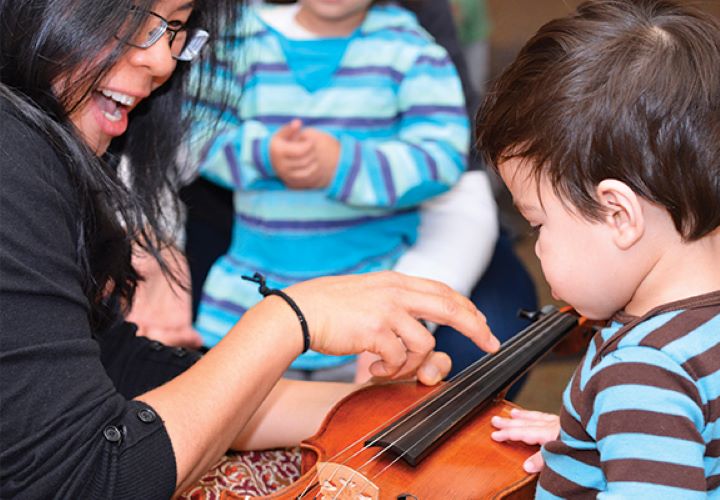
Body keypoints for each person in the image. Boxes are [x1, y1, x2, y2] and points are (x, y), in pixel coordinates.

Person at [0, 0, 501, 497]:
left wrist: (371, 405)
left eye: (174, 28)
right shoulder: (17, 161)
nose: (164, 62)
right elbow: (89, 475)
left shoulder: (411, 46)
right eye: (139, 21)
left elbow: (111, 365)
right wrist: (289, 319)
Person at [475, 0, 720, 497]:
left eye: (538, 224)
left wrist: (632, 414)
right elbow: (716, 449)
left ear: (618, 215)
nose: (537, 248)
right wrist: (603, 437)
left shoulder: (645, 373)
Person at [187, 0, 483, 379]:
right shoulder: (240, 40)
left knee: (360, 429)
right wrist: (264, 155)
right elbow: (192, 138)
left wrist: (344, 164)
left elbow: (442, 158)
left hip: (370, 310)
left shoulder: (411, 49)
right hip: (248, 305)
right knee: (243, 426)